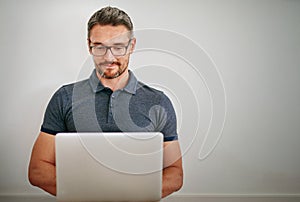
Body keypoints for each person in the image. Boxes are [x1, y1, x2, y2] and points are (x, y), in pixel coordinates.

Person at [28, 6, 183, 198]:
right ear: (89, 45)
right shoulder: (64, 97)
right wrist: (92, 195)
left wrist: (130, 196)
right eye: (100, 47)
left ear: (132, 45)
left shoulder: (159, 102)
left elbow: (175, 173)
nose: (109, 58)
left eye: (118, 47)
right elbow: (37, 170)